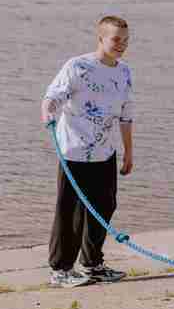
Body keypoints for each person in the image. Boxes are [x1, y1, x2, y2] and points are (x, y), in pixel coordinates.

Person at [41, 15, 135, 288]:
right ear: (101, 38)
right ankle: (60, 269)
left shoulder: (124, 71)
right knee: (69, 211)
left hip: (105, 152)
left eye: (126, 41)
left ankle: (92, 265)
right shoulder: (77, 66)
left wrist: (129, 152)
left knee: (104, 207)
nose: (121, 45)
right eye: (116, 39)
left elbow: (126, 114)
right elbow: (52, 96)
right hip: (74, 151)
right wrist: (46, 111)